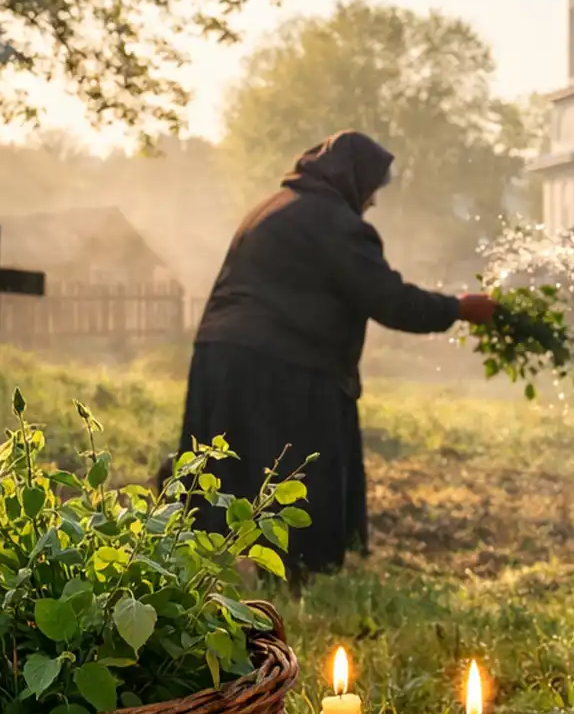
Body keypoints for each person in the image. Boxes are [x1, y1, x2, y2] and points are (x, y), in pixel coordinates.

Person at [176, 130, 495, 579]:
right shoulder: (334, 223)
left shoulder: (271, 208)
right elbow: (389, 300)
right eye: (372, 188)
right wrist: (460, 308)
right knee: (296, 469)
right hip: (280, 366)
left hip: (220, 356)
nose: (373, 202)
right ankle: (297, 570)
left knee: (229, 468)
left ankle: (204, 565)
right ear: (353, 179)